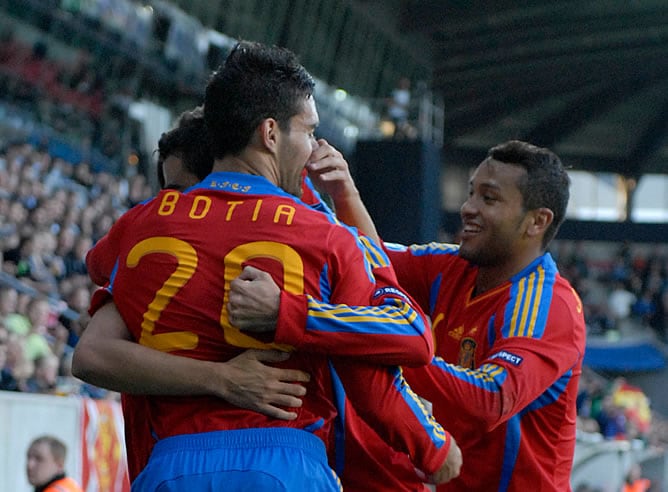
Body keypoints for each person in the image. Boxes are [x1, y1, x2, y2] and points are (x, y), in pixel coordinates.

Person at [80, 41, 459, 490]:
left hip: (169, 467)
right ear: (271, 133)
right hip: (282, 461)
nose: (316, 145)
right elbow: (370, 373)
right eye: (309, 130)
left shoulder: (138, 226)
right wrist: (432, 446)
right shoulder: (324, 236)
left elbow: (97, 276)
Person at [229, 140, 587, 491]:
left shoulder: (548, 305)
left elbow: (490, 399)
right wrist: (341, 193)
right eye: (471, 193)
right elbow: (369, 263)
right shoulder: (450, 267)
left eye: (489, 198)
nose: (468, 207)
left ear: (537, 222)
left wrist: (380, 345)